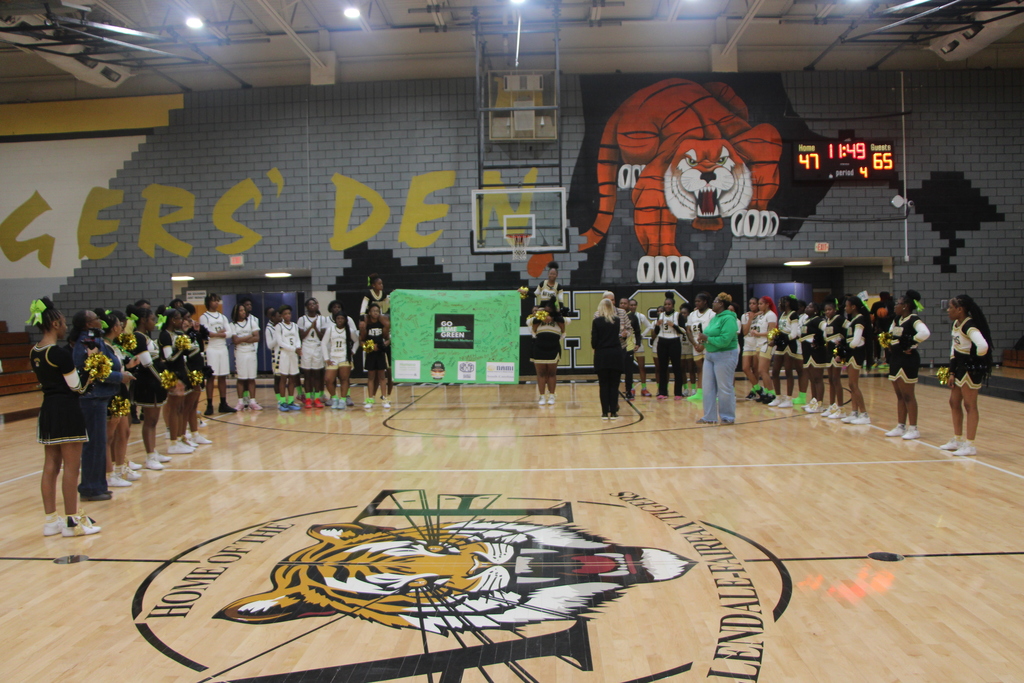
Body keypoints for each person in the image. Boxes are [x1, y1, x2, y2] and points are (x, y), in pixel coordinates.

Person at [28, 298, 100, 536]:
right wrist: (91, 366)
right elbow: (77, 388)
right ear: (56, 323)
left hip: (48, 409)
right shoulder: (59, 353)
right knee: (71, 466)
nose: (65, 327)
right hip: (67, 410)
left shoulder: (35, 352)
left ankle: (51, 521)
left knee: (50, 465)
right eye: (63, 323)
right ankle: (72, 521)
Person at [69, 308, 133, 502]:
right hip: (92, 398)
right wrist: (120, 377)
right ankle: (90, 487)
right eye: (97, 319)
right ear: (89, 324)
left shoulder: (94, 339)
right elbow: (96, 371)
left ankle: (97, 485)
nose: (100, 321)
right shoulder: (88, 341)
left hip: (99, 398)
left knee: (97, 443)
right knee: (95, 444)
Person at [941, 294, 993, 456]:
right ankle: (958, 439)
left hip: (970, 369)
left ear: (960, 309)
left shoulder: (969, 326)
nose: (948, 310)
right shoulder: (957, 324)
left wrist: (975, 360)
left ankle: (970, 444)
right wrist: (952, 371)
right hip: (960, 367)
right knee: (954, 402)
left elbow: (983, 345)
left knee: (970, 405)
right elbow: (954, 349)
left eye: (950, 307)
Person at [100, 309, 140, 488]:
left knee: (124, 432)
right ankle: (109, 474)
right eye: (119, 324)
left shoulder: (114, 346)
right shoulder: (103, 346)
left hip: (121, 390)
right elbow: (106, 371)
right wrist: (121, 373)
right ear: (114, 327)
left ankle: (120, 467)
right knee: (109, 436)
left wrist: (128, 367)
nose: (122, 327)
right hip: (112, 393)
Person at [883, 290, 931, 440]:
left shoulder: (914, 319)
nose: (895, 306)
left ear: (906, 306)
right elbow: (890, 335)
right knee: (899, 395)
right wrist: (888, 344)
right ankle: (900, 425)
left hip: (908, 360)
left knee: (908, 395)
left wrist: (910, 343)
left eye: (898, 303)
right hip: (895, 359)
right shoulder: (897, 319)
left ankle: (914, 428)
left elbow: (925, 333)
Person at [127, 305, 170, 470]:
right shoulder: (138, 337)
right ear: (143, 321)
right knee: (150, 421)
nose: (155, 322)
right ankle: (150, 455)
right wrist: (165, 381)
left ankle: (153, 451)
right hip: (147, 383)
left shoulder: (146, 337)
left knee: (153, 420)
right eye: (152, 319)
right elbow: (148, 364)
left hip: (154, 382)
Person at [694, 293, 739, 425]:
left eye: (715, 301)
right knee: (707, 387)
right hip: (710, 355)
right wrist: (702, 343)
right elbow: (708, 334)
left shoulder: (729, 319)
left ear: (721, 304)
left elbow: (725, 340)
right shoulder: (715, 318)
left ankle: (727, 417)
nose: (713, 303)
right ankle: (709, 416)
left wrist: (707, 338)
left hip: (725, 355)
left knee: (724, 387)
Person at [157, 306, 194, 454]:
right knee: (174, 408)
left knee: (180, 408)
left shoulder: (177, 334)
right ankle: (173, 442)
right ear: (172, 320)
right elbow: (168, 358)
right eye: (179, 318)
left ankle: (179, 438)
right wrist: (180, 348)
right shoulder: (165, 335)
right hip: (172, 375)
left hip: (181, 372)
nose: (181, 321)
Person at [200, 294, 236, 415]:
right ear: (208, 302)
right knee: (211, 376)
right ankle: (209, 404)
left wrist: (217, 334)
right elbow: (206, 333)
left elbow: (230, 333)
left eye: (217, 301)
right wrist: (220, 333)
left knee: (223, 376)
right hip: (211, 348)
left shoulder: (222, 316)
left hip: (222, 348)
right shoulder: (204, 317)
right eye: (214, 301)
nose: (216, 303)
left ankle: (223, 403)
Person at [839, 296, 872, 424]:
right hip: (851, 353)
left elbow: (857, 340)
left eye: (847, 306)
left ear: (853, 307)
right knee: (851, 384)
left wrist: (845, 349)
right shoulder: (853, 320)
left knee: (853, 384)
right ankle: (854, 412)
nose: (845, 308)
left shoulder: (859, 320)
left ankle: (864, 414)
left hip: (856, 353)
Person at [592, 299, 624, 420]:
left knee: (603, 384)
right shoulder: (617, 321)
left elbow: (594, 341)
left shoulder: (597, 321)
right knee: (614, 385)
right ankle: (614, 412)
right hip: (615, 354)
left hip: (602, 355)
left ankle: (604, 412)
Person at [769, 295, 801, 409]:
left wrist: (782, 339)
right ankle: (778, 397)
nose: (778, 304)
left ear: (787, 303)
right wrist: (774, 340)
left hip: (789, 344)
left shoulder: (793, 315)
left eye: (780, 302)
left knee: (788, 371)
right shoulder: (782, 314)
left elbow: (794, 334)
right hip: (781, 344)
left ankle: (789, 398)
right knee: (775, 371)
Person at [531, 301, 565, 405]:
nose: (548, 310)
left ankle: (551, 395)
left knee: (551, 373)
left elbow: (563, 330)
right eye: (546, 308)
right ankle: (541, 396)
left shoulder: (559, 319)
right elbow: (534, 329)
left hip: (553, 347)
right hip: (539, 347)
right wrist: (541, 317)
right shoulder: (537, 319)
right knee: (541, 373)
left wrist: (553, 318)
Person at [322, 311, 358, 409]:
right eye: (338, 318)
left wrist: (353, 351)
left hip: (344, 358)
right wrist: (326, 358)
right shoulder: (330, 329)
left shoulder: (349, 330)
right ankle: (334, 398)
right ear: (335, 320)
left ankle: (342, 400)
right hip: (333, 357)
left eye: (342, 318)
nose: (340, 320)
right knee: (328, 379)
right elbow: (323, 343)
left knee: (344, 379)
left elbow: (356, 341)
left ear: (345, 320)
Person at [745, 296, 777, 404]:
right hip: (759, 344)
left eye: (761, 304)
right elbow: (755, 314)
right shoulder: (762, 315)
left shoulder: (771, 315)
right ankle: (767, 392)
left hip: (766, 343)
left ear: (767, 304)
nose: (759, 306)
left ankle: (772, 394)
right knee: (762, 371)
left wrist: (758, 334)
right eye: (758, 304)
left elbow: (772, 332)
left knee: (762, 370)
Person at [230, 303, 262, 411]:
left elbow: (257, 338)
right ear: (236, 312)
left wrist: (241, 338)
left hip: (251, 352)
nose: (243, 312)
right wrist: (249, 336)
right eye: (241, 310)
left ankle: (252, 401)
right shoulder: (232, 325)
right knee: (241, 378)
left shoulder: (252, 322)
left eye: (244, 310)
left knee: (251, 378)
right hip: (240, 353)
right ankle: (241, 402)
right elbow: (235, 341)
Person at [298, 297, 329, 409]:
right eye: (310, 304)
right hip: (306, 346)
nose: (312, 306)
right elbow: (301, 336)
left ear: (317, 306)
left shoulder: (322, 319)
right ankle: (307, 398)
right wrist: (311, 327)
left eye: (314, 304)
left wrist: (315, 328)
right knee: (307, 375)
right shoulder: (302, 319)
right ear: (306, 307)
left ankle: (316, 398)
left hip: (317, 347)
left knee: (317, 374)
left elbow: (323, 337)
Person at [360, 302, 391, 409]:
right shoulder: (366, 325)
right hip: (370, 353)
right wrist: (370, 347)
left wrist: (384, 345)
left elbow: (387, 339)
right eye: (373, 311)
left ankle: (384, 398)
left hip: (381, 353)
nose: (375, 313)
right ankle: (370, 398)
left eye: (377, 311)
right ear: (369, 312)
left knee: (382, 377)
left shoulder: (382, 324)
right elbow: (362, 341)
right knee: (371, 377)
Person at [798, 302, 828, 413]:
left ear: (816, 310)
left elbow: (826, 328)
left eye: (810, 306)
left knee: (817, 378)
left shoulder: (818, 320)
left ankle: (819, 403)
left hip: (816, 352)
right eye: (807, 306)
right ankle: (814, 401)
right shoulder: (807, 320)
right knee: (811, 378)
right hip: (807, 352)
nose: (807, 308)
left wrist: (820, 341)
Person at [685, 292, 716, 402]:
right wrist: (694, 344)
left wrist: (703, 345)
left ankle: (713, 392)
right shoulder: (692, 315)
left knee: (711, 369)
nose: (696, 303)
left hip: (708, 344)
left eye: (699, 301)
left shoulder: (712, 314)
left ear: (705, 302)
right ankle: (700, 392)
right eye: (696, 301)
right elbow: (688, 330)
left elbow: (713, 331)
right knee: (699, 368)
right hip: (696, 344)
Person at [652, 296, 685, 399]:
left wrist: (674, 325)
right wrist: (657, 325)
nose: (667, 306)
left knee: (677, 368)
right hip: (662, 341)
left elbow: (683, 331)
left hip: (674, 341)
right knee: (662, 368)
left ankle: (678, 393)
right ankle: (663, 392)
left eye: (669, 304)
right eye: (665, 304)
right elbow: (656, 332)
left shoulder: (678, 315)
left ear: (673, 305)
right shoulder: (660, 315)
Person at [821, 299, 845, 418]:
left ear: (835, 310)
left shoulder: (840, 319)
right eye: (826, 310)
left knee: (836, 379)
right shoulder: (827, 321)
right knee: (831, 380)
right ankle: (832, 406)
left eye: (830, 310)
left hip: (837, 351)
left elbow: (849, 329)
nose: (828, 312)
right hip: (829, 350)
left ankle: (840, 408)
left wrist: (843, 342)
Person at [275, 305, 302, 411]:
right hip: (284, 354)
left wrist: (298, 348)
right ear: (281, 315)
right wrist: (293, 348)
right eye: (285, 314)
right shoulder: (279, 327)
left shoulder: (294, 326)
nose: (287, 315)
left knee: (292, 378)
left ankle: (290, 401)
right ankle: (282, 402)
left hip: (293, 354)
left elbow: (298, 339)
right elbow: (280, 342)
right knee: (283, 378)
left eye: (289, 313)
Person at [628, 298, 655, 397]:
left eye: (634, 305)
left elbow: (649, 326)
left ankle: (644, 388)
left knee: (641, 366)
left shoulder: (641, 316)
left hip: (638, 343)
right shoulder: (625, 316)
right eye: (631, 305)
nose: (633, 307)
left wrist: (641, 336)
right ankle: (630, 388)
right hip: (628, 343)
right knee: (629, 367)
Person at [740, 298, 760, 400]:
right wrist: (750, 319)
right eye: (750, 303)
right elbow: (744, 332)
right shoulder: (745, 316)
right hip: (748, 344)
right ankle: (759, 388)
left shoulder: (762, 315)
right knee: (745, 368)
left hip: (757, 343)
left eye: (754, 303)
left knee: (756, 369)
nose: (752, 305)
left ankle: (753, 391)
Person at [621, 297, 640, 400]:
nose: (623, 305)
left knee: (629, 372)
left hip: (629, 347)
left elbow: (637, 331)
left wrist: (638, 343)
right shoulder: (616, 315)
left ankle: (629, 391)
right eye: (621, 303)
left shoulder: (633, 316)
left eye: (625, 303)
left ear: (628, 305)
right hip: (619, 347)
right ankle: (616, 390)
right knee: (617, 370)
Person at [264, 307, 283, 407]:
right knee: (278, 379)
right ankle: (279, 400)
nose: (280, 318)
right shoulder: (269, 329)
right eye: (278, 316)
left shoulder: (283, 325)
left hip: (286, 355)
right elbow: (269, 345)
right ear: (272, 317)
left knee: (288, 378)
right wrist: (278, 336)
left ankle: (288, 399)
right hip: (276, 356)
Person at [871, 291, 894, 369]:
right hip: (879, 326)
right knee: (880, 343)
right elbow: (872, 315)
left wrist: (885, 317)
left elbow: (893, 315)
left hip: (886, 326)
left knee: (886, 344)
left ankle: (886, 360)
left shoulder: (891, 304)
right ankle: (879, 359)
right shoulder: (877, 305)